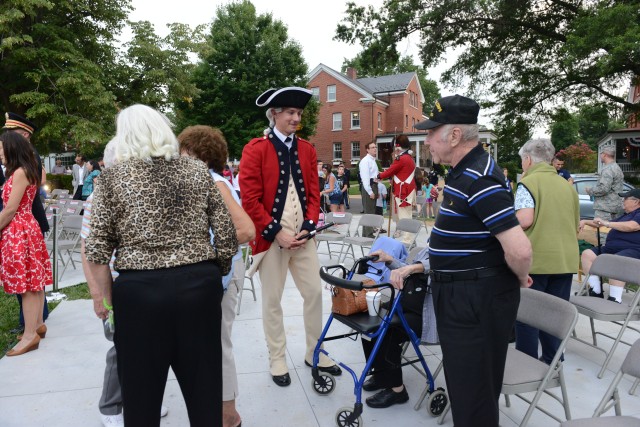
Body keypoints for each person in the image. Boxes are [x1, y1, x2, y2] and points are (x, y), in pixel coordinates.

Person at [84, 104, 238, 426]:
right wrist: (214, 274)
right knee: (204, 390)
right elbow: (226, 235)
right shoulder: (197, 171)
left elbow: (97, 249)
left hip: (139, 293)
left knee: (141, 397)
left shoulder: (111, 179)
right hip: (198, 284)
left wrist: (106, 297)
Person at [415, 94, 533, 427]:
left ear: (454, 136)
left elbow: (520, 250)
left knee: (474, 400)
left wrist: (519, 276)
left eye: (432, 132)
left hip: (475, 299)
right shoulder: (462, 172)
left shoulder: (479, 177)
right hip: (463, 295)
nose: (426, 140)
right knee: (466, 392)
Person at [239, 86, 341, 387]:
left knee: (313, 294)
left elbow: (312, 194)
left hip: (304, 239)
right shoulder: (255, 149)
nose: (296, 118)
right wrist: (276, 232)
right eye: (290, 113)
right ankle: (277, 358)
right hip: (272, 241)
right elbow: (250, 200)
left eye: (298, 113)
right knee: (272, 301)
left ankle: (315, 351)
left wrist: (310, 224)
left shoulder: (307, 150)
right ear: (274, 114)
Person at [80, 139, 170, 427]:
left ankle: (142, 401)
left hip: (146, 287)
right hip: (118, 288)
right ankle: (110, 408)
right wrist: (98, 295)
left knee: (150, 349)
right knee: (121, 351)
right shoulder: (99, 198)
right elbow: (89, 252)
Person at [178, 125, 255, 427]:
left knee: (218, 343)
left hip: (221, 273)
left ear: (198, 154)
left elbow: (247, 231)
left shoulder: (215, 183)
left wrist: (203, 248)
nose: (178, 157)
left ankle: (229, 415)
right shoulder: (198, 181)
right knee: (205, 344)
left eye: (183, 151)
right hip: (208, 273)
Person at [514, 138, 579, 364]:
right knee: (555, 314)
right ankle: (553, 360)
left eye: (522, 160)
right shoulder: (567, 186)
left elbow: (524, 219)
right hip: (565, 259)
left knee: (527, 315)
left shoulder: (528, 183)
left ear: (528, 159)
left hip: (537, 259)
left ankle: (526, 363)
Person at [0, 131, 52, 356]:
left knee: (27, 287)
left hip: (19, 229)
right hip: (27, 227)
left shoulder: (20, 172)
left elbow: (10, 209)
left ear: (12, 148)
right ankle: (37, 324)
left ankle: (30, 335)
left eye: (2, 148)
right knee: (34, 282)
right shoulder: (28, 170)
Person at [361, 246, 433, 408]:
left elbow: (441, 265)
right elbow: (408, 271)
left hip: (426, 316)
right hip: (405, 302)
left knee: (386, 330)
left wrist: (415, 267)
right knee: (370, 320)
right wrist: (389, 259)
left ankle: (397, 391)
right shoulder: (429, 247)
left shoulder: (457, 251)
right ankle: (381, 374)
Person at [579, 188, 640, 303]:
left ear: (636, 201)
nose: (623, 200)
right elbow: (600, 223)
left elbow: (633, 226)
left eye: (625, 198)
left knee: (615, 260)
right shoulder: (626, 215)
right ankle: (596, 292)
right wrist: (585, 222)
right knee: (587, 254)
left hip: (633, 250)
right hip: (612, 248)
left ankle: (615, 298)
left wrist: (607, 223)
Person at [378, 134, 416, 244]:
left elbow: (390, 171)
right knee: (407, 215)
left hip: (403, 190)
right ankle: (408, 238)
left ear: (398, 147)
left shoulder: (401, 158)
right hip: (407, 189)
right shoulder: (408, 157)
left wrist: (379, 176)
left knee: (404, 216)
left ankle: (407, 240)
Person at [586, 146, 624, 220]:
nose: (600, 156)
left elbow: (603, 189)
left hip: (605, 209)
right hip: (615, 207)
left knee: (602, 230)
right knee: (612, 231)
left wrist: (590, 190)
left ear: (604, 154)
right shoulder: (616, 167)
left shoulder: (608, 169)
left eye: (601, 154)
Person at [359, 141, 379, 237]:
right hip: (369, 187)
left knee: (372, 210)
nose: (375, 149)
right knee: (368, 211)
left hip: (374, 185)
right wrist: (370, 191)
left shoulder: (372, 160)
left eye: (375, 147)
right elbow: (365, 178)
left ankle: (367, 232)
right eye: (372, 147)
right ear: (367, 149)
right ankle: (368, 234)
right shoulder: (365, 161)